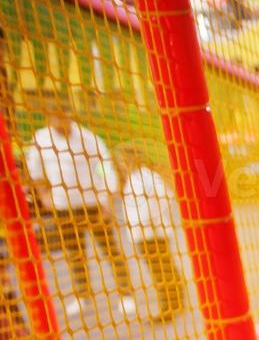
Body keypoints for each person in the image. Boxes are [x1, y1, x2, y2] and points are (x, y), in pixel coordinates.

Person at [23, 93, 135, 318]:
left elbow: (103, 167)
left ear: (69, 115)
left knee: (111, 250)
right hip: (64, 207)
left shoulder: (88, 138)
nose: (58, 121)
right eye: (53, 117)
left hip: (93, 204)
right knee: (75, 254)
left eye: (61, 116)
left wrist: (106, 199)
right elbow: (34, 172)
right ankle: (83, 296)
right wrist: (45, 197)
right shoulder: (41, 140)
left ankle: (126, 294)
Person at [116, 144, 188, 322]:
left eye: (123, 160)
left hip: (151, 233)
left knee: (161, 270)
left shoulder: (143, 177)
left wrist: (152, 220)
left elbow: (163, 197)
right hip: (149, 232)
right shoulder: (137, 177)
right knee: (164, 267)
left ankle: (169, 306)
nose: (122, 164)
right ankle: (176, 302)